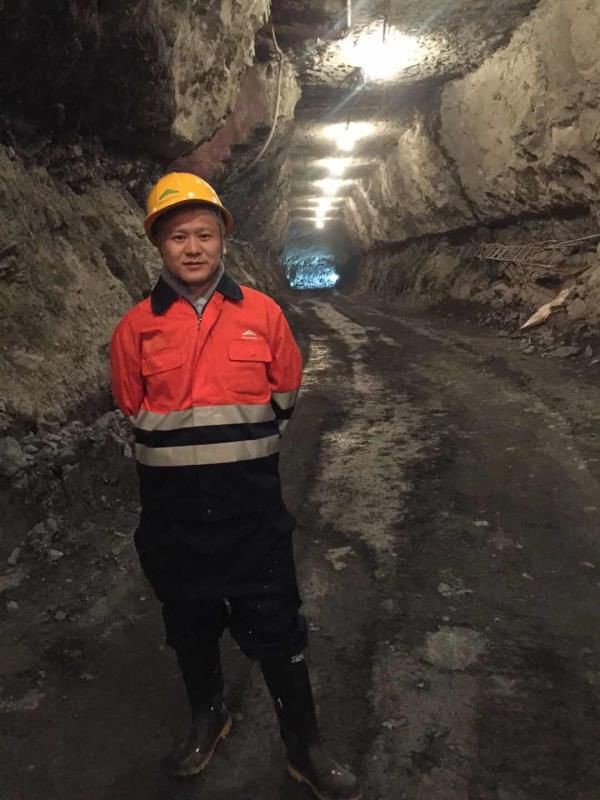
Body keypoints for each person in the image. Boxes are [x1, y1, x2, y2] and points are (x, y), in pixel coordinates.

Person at [110, 173, 361, 800]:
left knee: (277, 624)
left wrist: (233, 447)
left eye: (204, 234)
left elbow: (285, 391)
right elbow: (133, 404)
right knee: (189, 621)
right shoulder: (136, 328)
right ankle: (209, 717)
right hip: (172, 517)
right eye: (177, 237)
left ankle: (304, 745)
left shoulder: (263, 313)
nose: (192, 247)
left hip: (251, 511)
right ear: (159, 245)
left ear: (223, 239)